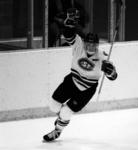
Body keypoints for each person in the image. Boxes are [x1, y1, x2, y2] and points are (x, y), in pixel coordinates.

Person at [43, 8, 118, 142]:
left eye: (93, 44)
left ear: (97, 45)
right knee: (53, 106)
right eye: (88, 43)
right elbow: (68, 35)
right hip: (71, 81)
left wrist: (110, 71)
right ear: (84, 42)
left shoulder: (102, 56)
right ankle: (61, 119)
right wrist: (69, 25)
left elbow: (114, 76)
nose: (90, 46)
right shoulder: (78, 45)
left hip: (86, 90)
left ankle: (57, 130)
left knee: (66, 112)